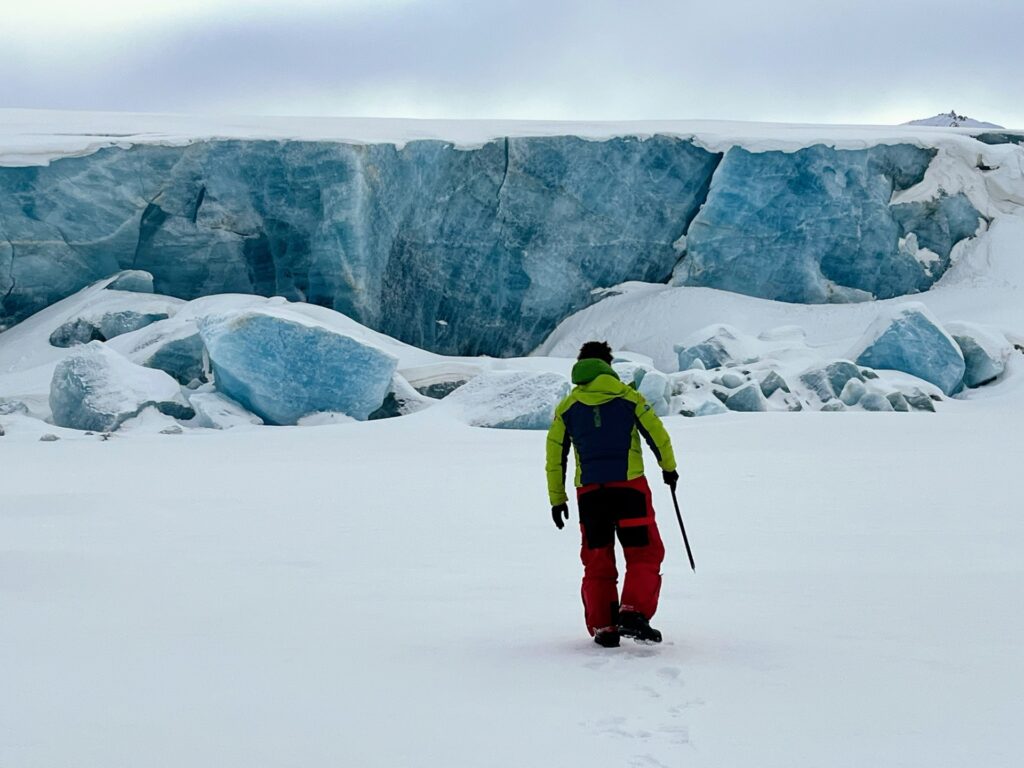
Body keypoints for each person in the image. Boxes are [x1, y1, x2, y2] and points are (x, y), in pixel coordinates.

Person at [545, 341, 679, 648]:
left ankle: (604, 627)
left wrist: (557, 499)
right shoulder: (629, 397)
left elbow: (555, 457)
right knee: (645, 553)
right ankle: (632, 611)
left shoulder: (567, 408)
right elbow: (658, 434)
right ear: (608, 365)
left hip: (590, 495)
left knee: (597, 559)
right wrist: (668, 469)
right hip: (630, 488)